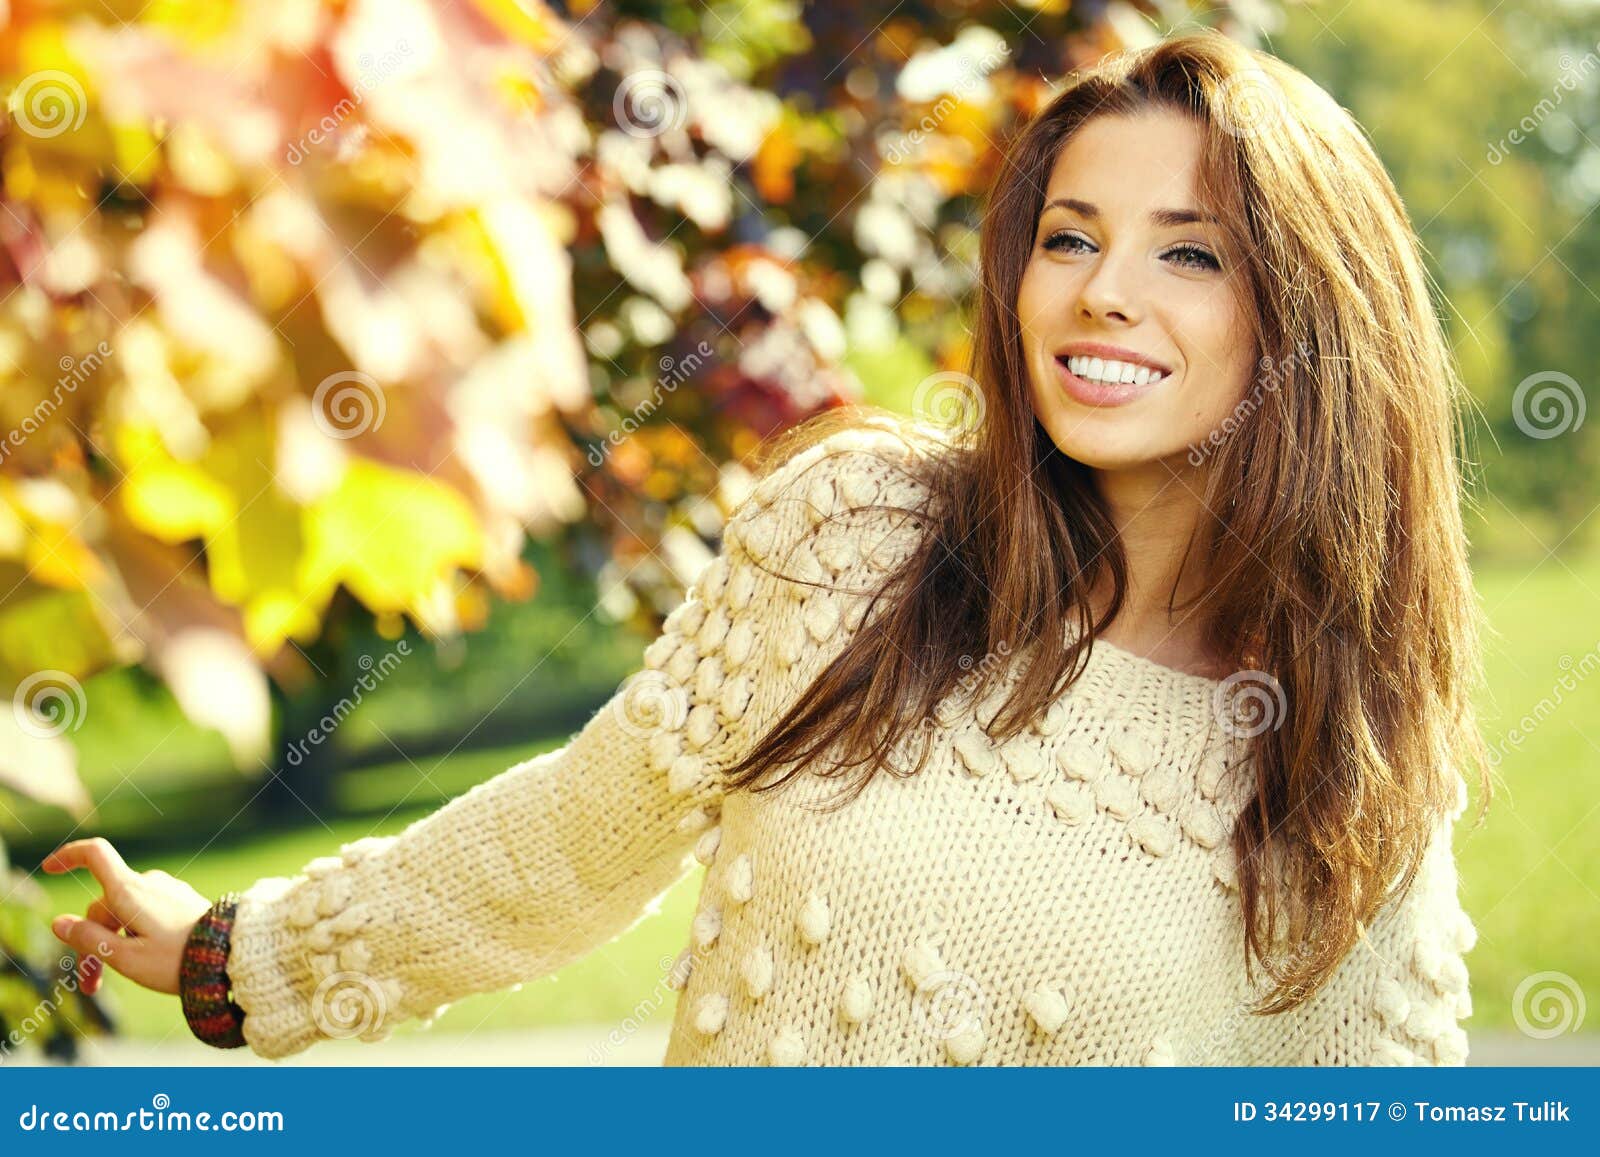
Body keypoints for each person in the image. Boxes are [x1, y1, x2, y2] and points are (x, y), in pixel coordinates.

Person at [43, 28, 1489, 1066]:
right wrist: (243, 958)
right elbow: (575, 834)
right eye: (1068, 237)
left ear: (1306, 316)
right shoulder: (858, 536)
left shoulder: (1340, 783)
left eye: (1190, 251)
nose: (1105, 292)